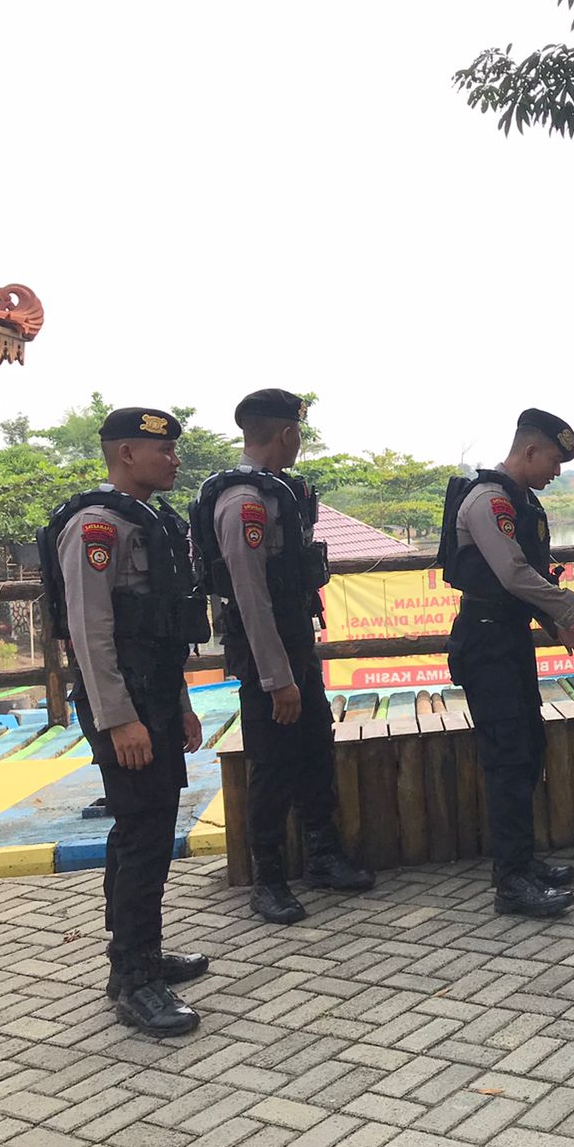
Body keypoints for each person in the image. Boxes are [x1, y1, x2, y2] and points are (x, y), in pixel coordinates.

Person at [38, 408, 211, 1036]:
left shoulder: (150, 521)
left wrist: (182, 702)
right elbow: (91, 632)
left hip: (155, 696)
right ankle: (136, 981)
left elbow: (162, 631)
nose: (174, 460)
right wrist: (119, 721)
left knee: (149, 825)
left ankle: (136, 954)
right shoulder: (96, 526)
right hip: (124, 705)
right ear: (126, 454)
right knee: (142, 833)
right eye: (162, 450)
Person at [189, 389, 373, 925]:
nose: (299, 442)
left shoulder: (278, 491)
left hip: (293, 640)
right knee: (271, 762)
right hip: (262, 650)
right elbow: (249, 596)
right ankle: (267, 879)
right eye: (298, 433)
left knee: (314, 746)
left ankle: (323, 855)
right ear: (287, 433)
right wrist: (277, 678)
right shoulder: (244, 501)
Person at [437, 408, 574, 917]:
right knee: (508, 758)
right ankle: (510, 883)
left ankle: (523, 861)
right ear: (530, 450)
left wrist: (558, 626)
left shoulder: (522, 501)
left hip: (508, 640)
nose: (557, 471)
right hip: (486, 642)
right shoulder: (488, 500)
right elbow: (512, 575)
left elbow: (529, 580)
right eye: (554, 461)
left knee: (527, 749)